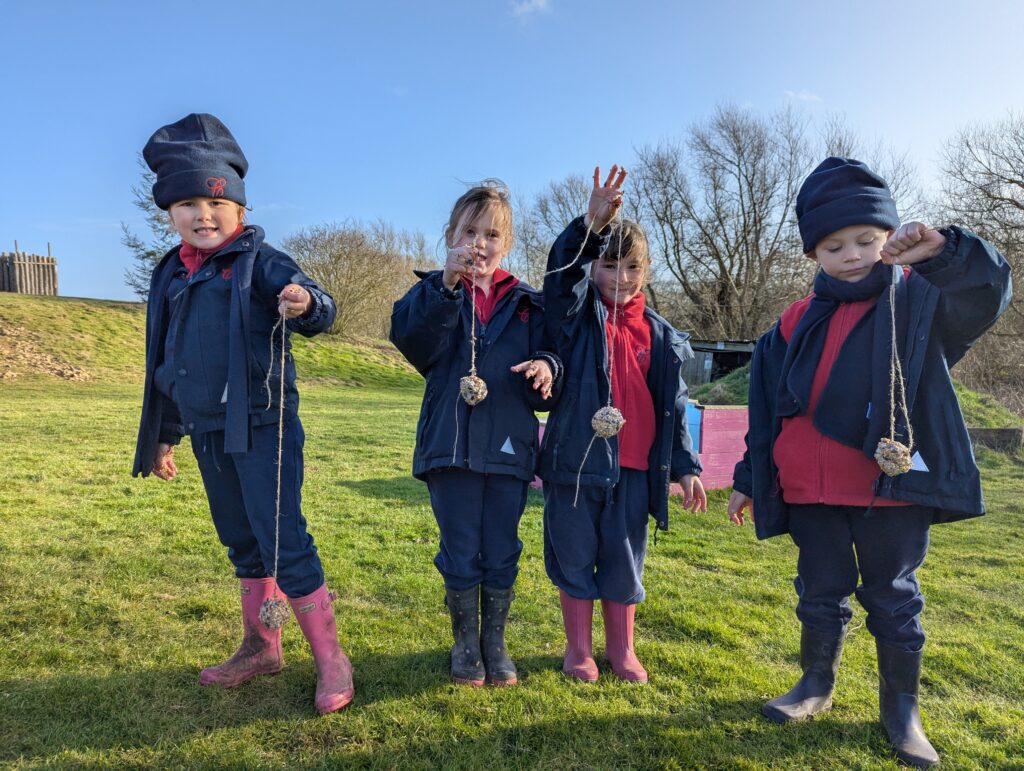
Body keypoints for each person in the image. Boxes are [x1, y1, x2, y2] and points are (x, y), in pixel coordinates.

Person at [728, 157, 1012, 767]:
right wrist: (750, 480)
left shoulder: (920, 303)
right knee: (819, 592)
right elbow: (765, 410)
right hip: (809, 491)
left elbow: (988, 290)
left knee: (893, 597)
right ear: (813, 254)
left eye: (865, 240)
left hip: (891, 491)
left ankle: (901, 710)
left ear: (887, 239)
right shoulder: (790, 323)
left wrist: (945, 252)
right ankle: (814, 685)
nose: (852, 254)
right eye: (834, 245)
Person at [132, 113, 353, 714]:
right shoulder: (171, 276)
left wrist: (306, 303)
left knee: (283, 538)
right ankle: (262, 647)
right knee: (240, 540)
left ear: (240, 209)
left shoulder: (263, 260)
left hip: (263, 426)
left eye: (214, 201)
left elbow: (323, 305)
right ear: (169, 212)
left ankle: (332, 660)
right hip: (207, 432)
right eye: (188, 204)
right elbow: (170, 362)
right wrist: (165, 435)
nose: (203, 215)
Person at [389, 180, 561, 687]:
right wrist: (444, 285)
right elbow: (414, 342)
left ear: (505, 244)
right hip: (450, 448)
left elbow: (553, 364)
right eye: (469, 231)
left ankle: (495, 642)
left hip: (509, 448)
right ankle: (465, 643)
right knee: (461, 546)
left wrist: (548, 367)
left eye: (491, 234)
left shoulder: (529, 303)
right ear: (449, 236)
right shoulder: (430, 293)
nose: (478, 244)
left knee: (501, 547)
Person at [540, 166, 706, 684]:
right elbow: (559, 278)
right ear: (593, 268)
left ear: (648, 271)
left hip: (635, 471)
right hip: (575, 465)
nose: (622, 278)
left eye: (632, 267)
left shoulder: (662, 337)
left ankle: (623, 649)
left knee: (624, 559)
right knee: (574, 555)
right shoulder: (573, 316)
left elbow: (674, 406)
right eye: (610, 266)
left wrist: (685, 466)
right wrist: (588, 228)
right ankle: (579, 650)